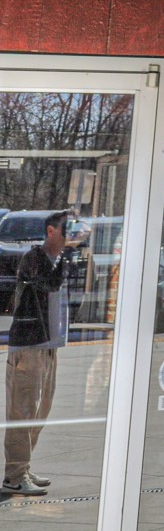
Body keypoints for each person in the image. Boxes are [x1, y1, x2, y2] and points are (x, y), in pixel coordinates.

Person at [4, 211, 73, 497]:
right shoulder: (34, 258)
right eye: (67, 230)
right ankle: (14, 475)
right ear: (51, 231)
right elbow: (49, 285)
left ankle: (24, 465)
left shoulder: (57, 261)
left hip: (48, 345)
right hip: (29, 346)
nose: (71, 235)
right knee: (23, 411)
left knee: (40, 410)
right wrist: (68, 258)